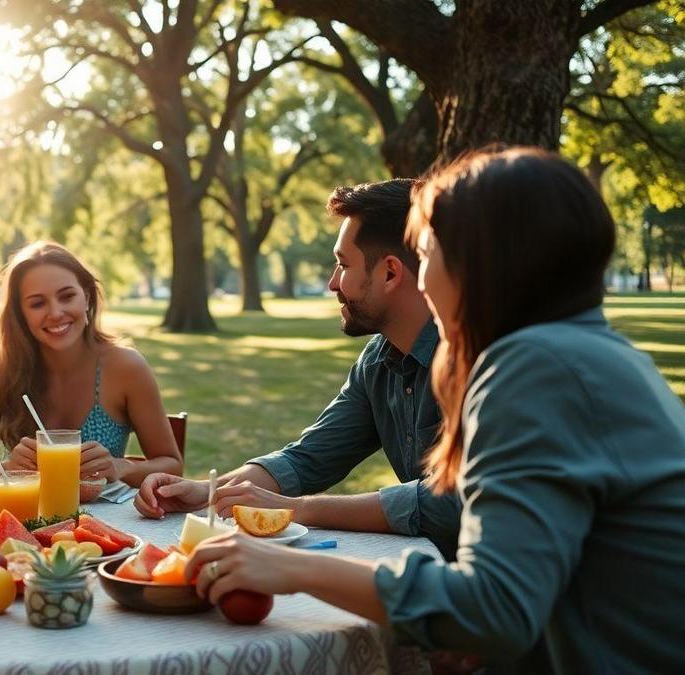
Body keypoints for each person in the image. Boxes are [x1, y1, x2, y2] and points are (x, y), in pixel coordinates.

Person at [185, 148, 685, 671]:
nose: (423, 280)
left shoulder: (536, 366)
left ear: (480, 261)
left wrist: (293, 567)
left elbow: (493, 608)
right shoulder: (584, 352)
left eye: (430, 253)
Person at [136, 179, 462, 558]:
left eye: (343, 265)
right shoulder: (378, 362)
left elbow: (452, 499)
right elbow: (307, 459)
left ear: (390, 273)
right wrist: (205, 493)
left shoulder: (475, 360)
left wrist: (296, 509)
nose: (331, 283)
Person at [0, 241, 182, 492]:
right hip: (24, 520)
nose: (56, 312)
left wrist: (121, 467)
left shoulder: (126, 367)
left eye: (67, 296)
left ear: (86, 296)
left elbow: (172, 465)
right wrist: (7, 469)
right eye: (38, 303)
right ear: (21, 314)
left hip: (106, 522)